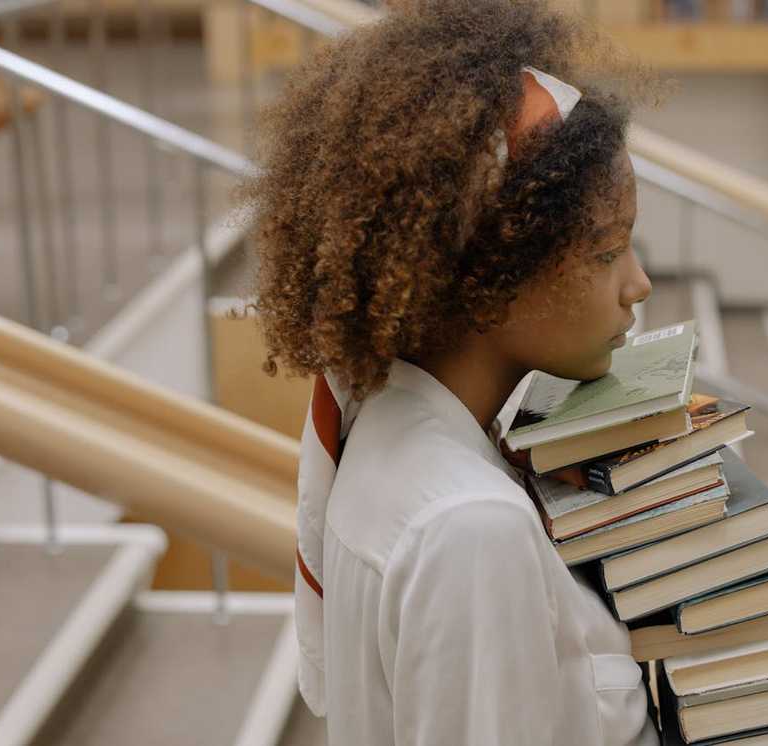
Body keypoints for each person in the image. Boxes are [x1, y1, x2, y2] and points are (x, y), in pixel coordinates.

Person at [238, 1, 659, 743]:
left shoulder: (401, 435)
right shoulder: (470, 529)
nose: (638, 285)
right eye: (605, 252)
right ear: (492, 273)